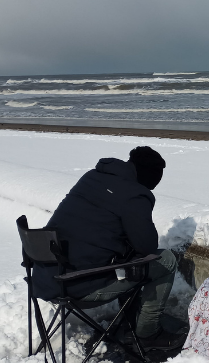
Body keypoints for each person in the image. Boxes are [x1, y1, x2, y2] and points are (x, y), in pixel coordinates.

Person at [31, 146, 185, 350]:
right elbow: (147, 246)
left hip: (45, 276)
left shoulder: (92, 177)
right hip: (76, 285)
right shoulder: (135, 194)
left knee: (126, 257)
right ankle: (148, 333)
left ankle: (129, 322)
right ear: (151, 176)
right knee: (164, 260)